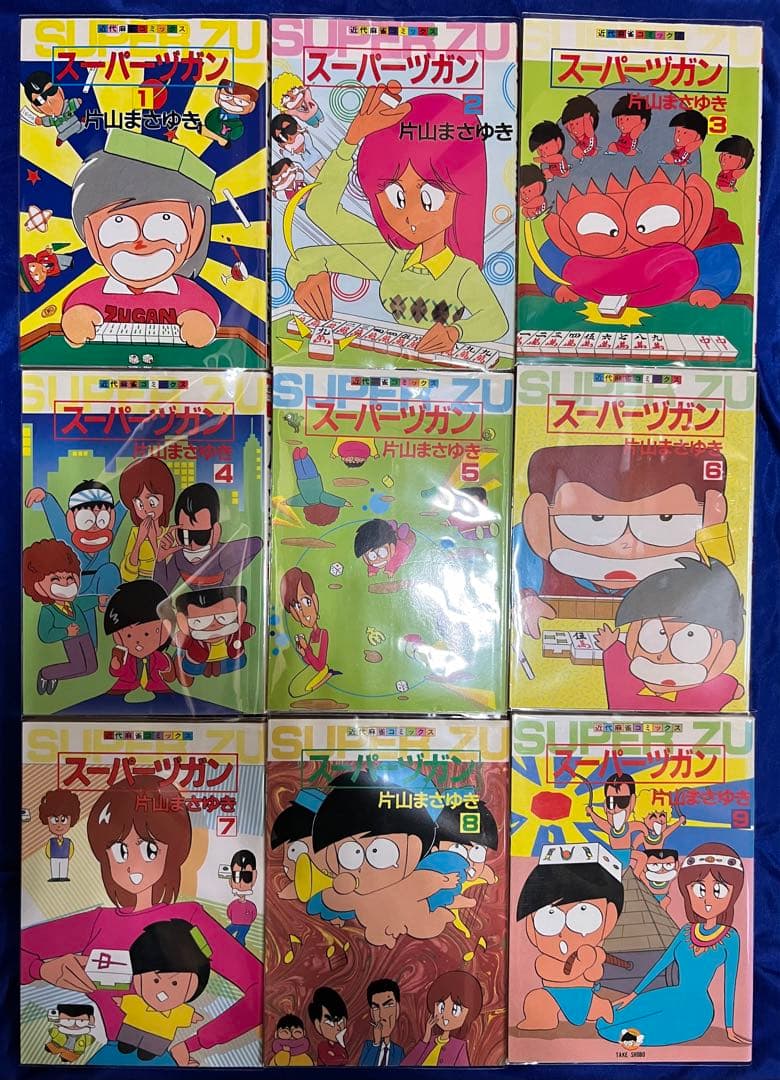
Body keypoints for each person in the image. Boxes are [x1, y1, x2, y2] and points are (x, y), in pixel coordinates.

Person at [21, 774, 263, 1067]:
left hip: (166, 1057)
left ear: (172, 850)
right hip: (112, 1057)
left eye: (149, 849)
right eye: (120, 851)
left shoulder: (189, 919)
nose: (131, 865)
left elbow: (260, 988)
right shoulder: (97, 922)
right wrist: (42, 969)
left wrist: (195, 1042)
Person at [287, 82, 508, 354]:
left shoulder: (462, 272)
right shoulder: (391, 257)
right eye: (397, 198)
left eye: (429, 198)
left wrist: (456, 332)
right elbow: (318, 220)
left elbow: (495, 320)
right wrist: (350, 141)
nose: (410, 216)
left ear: (463, 196)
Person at [513, 443, 729, 638]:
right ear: (538, 517)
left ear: (711, 516)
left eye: (665, 519)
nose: (626, 545)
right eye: (596, 519)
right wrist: (524, 600)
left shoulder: (703, 576)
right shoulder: (526, 552)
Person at [61, 129, 221, 348]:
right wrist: (77, 320)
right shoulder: (90, 295)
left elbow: (205, 321)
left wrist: (200, 323)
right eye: (118, 224)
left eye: (164, 221)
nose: (140, 243)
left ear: (196, 229)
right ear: (91, 237)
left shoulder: (192, 297)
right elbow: (74, 318)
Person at [596, 843, 750, 1047]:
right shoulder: (686, 931)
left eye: (718, 890)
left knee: (627, 1031)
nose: (707, 899)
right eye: (699, 889)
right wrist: (633, 995)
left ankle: (637, 1038)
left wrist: (729, 1028)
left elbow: (729, 985)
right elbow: (661, 964)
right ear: (687, 891)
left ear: (733, 894)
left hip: (696, 1010)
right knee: (604, 1022)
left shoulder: (730, 938)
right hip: (670, 995)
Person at [595, 558, 745, 711]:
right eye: (657, 634)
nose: (664, 657)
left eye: (690, 639)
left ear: (726, 651)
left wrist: (611, 646)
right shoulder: (625, 677)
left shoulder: (717, 689)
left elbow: (732, 688)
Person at [514, 843, 623, 1032]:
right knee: (537, 1000)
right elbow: (553, 972)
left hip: (585, 995)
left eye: (582, 914)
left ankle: (602, 1008)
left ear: (609, 919)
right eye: (549, 917)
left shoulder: (595, 951)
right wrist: (581, 962)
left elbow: (594, 975)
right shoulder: (544, 960)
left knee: (594, 1009)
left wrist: (593, 963)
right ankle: (542, 1020)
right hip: (552, 994)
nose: (563, 932)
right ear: (532, 928)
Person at [25, 479, 125, 641]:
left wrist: (129, 499)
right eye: (86, 520)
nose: (94, 527)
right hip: (77, 589)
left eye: (101, 520)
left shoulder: (107, 535)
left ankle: (108, 605)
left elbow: (120, 511)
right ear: (72, 520)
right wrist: (45, 498)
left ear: (110, 519)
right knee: (85, 631)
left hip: (101, 585)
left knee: (110, 570)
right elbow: (57, 519)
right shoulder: (68, 538)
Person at [115, 919, 211, 1061]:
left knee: (149, 1051)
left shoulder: (179, 1011)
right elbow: (128, 1002)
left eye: (174, 983)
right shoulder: (138, 1001)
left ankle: (148, 1051)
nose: (163, 991)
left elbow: (187, 1015)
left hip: (160, 1035)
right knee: (127, 1041)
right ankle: (127, 1044)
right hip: (132, 1027)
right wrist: (120, 1001)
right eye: (156, 980)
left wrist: (193, 1017)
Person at [154, 482, 261, 593]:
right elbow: (162, 590)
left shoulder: (222, 554)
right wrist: (160, 560)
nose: (192, 545)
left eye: (200, 536)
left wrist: (227, 573)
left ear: (216, 531)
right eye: (184, 535)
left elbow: (257, 543)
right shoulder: (179, 558)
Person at [23, 539, 100, 695]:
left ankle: (54, 675)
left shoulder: (74, 603)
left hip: (85, 635)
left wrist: (99, 600)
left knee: (91, 667)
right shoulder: (48, 611)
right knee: (78, 666)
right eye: (56, 579)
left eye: (70, 578)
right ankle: (46, 674)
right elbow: (45, 635)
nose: (65, 584)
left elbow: (85, 602)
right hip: (71, 639)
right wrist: (66, 632)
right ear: (38, 587)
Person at [103, 580, 174, 697]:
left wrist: (168, 669)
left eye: (146, 634)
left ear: (164, 631)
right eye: (129, 635)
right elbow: (117, 672)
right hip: (125, 686)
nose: (138, 641)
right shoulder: (125, 656)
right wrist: (116, 664)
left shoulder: (156, 657)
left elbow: (166, 668)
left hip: (156, 686)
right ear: (118, 636)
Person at [173, 586, 255, 683]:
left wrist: (250, 630)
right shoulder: (192, 638)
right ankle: (207, 667)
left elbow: (247, 630)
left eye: (223, 617)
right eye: (200, 621)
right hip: (198, 661)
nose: (214, 625)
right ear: (183, 621)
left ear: (240, 611)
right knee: (190, 667)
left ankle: (216, 667)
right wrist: (177, 638)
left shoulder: (236, 632)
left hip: (229, 659)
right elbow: (180, 640)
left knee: (241, 661)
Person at [402, 970, 483, 1065]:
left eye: (455, 1010)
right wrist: (426, 1038)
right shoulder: (429, 1041)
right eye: (441, 1007)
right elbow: (406, 1065)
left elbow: (463, 1072)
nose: (445, 1016)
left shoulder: (459, 1047)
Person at [280, 567, 340, 695]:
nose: (304, 612)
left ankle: (328, 675)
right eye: (297, 607)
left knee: (300, 690)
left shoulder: (323, 634)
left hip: (321, 670)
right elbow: (311, 661)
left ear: (315, 601)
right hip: (313, 668)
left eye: (307, 601)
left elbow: (319, 665)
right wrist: (303, 653)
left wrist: (306, 648)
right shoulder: (312, 635)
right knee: (293, 688)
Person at [118, 457, 176, 581]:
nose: (145, 510)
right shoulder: (135, 533)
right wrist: (139, 540)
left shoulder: (170, 534)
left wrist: (154, 540)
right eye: (139, 504)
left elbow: (169, 573)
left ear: (165, 499)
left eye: (152, 502)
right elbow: (127, 575)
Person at [286, 447, 348, 526]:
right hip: (302, 481)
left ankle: (304, 457)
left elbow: (331, 499)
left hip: (313, 479)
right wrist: (286, 502)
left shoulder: (321, 498)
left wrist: (343, 502)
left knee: (310, 469)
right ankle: (297, 459)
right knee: (300, 471)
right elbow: (295, 500)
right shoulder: (307, 502)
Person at [23, 71, 84, 145]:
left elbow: (72, 104)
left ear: (60, 91)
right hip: (64, 130)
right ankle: (64, 136)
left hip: (74, 123)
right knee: (74, 128)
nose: (49, 101)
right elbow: (46, 121)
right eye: (40, 100)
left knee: (78, 126)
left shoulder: (67, 106)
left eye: (51, 91)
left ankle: (80, 126)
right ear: (36, 108)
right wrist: (40, 121)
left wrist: (77, 102)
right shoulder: (52, 119)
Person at [359, 979, 405, 1066]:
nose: (381, 1015)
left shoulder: (399, 1052)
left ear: (397, 1009)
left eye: (388, 1005)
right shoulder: (369, 1046)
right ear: (372, 1013)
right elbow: (363, 1071)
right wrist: (376, 1044)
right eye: (376, 1008)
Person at [39, 789, 81, 882]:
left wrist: (68, 856)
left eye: (63, 820)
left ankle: (63, 876)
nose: (59, 825)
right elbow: (47, 851)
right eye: (54, 820)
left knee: (64, 867)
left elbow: (71, 850)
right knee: (54, 866)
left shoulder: (68, 842)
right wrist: (50, 856)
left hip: (64, 857)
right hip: (54, 857)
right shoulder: (51, 841)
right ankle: (55, 877)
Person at [203, 80, 258, 146]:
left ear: (251, 106)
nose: (231, 103)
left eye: (240, 102)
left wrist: (222, 133)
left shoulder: (238, 125)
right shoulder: (215, 112)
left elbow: (234, 135)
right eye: (226, 97)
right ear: (218, 94)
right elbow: (208, 122)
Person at [225, 850, 258, 946]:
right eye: (237, 876)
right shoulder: (233, 904)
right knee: (226, 933)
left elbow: (253, 915)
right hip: (235, 923)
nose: (240, 884)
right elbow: (229, 912)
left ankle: (240, 949)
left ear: (254, 877)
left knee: (240, 938)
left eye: (247, 877)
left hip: (245, 925)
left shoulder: (251, 906)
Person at [308, 986, 349, 1065]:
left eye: (340, 1021)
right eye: (330, 1023)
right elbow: (330, 1061)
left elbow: (346, 1058)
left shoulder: (340, 1046)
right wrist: (342, 1059)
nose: (337, 1028)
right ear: (318, 1025)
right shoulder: (323, 1046)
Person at [561, 96, 599, 160]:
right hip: (583, 147)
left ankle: (590, 153)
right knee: (575, 150)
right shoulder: (577, 136)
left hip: (589, 147)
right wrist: (568, 127)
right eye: (571, 125)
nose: (573, 127)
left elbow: (589, 129)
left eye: (577, 123)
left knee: (575, 151)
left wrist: (586, 119)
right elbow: (571, 134)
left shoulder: (589, 134)